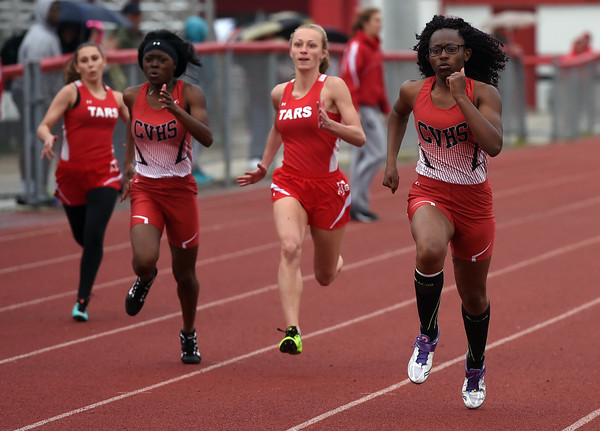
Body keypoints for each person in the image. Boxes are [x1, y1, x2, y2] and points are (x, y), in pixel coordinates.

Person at [382, 15, 507, 409]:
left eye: (451, 49)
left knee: (473, 296)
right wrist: (391, 162)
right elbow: (398, 113)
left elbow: (494, 145)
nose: (443, 57)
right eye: (435, 50)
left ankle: (474, 364)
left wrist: (462, 99)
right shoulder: (412, 91)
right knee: (429, 250)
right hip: (430, 190)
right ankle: (427, 334)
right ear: (427, 56)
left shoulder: (484, 93)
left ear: (466, 53)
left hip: (474, 203)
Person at [237, 24, 365, 355]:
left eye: (311, 45)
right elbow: (277, 129)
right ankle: (292, 330)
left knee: (323, 275)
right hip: (289, 180)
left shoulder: (333, 87)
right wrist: (265, 166)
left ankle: (334, 261)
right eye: (298, 45)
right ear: (290, 51)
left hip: (328, 188)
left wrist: (331, 124)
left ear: (323, 54)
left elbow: (359, 136)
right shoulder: (280, 92)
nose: (304, 50)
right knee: (290, 247)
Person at [121, 29, 213, 364]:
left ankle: (188, 333)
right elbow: (133, 129)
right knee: (144, 260)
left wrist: (175, 109)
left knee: (185, 275)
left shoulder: (190, 94)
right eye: (148, 59)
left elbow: (207, 137)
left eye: (161, 59)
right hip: (146, 188)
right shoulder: (132, 95)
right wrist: (129, 165)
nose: (154, 65)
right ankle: (145, 279)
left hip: (181, 192)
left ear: (175, 65)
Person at [37, 42, 129, 321]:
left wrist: (136, 157)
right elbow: (44, 124)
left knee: (93, 236)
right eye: (84, 60)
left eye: (94, 59)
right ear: (77, 66)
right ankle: (89, 265)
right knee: (83, 237)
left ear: (103, 63)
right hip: (70, 176)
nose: (90, 64)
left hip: (105, 174)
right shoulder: (70, 92)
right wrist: (48, 138)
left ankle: (82, 300)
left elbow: (139, 127)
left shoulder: (117, 98)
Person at [340, 7, 390, 223]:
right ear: (365, 23)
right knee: (377, 153)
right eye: (376, 20)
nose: (380, 24)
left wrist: (386, 108)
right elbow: (349, 77)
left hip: (370, 107)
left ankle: (356, 204)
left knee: (362, 156)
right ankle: (355, 202)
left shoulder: (374, 47)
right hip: (362, 110)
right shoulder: (357, 46)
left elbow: (377, 83)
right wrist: (353, 109)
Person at [13, 0, 63, 205]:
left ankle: (38, 188)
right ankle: (32, 189)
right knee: (37, 141)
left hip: (42, 97)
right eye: (53, 9)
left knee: (37, 142)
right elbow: (36, 75)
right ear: (43, 10)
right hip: (35, 98)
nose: (57, 13)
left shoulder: (48, 34)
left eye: (58, 9)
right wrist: (46, 101)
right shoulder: (39, 38)